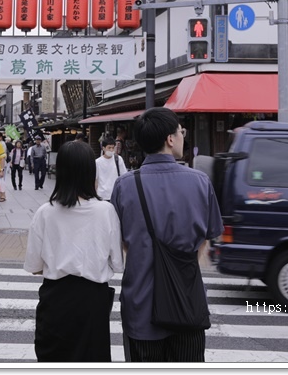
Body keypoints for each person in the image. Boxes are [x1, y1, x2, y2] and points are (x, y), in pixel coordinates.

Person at [111, 107, 223, 362]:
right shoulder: (200, 182)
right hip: (187, 303)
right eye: (180, 132)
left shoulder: (125, 185)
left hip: (141, 306)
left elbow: (121, 242)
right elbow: (207, 237)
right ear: (170, 139)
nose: (182, 136)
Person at [24, 140, 124, 362]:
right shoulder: (105, 211)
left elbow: (34, 267)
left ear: (60, 172)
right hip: (92, 302)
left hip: (55, 300)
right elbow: (117, 264)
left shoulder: (44, 213)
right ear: (91, 171)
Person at [95, 136, 125, 202]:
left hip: (116, 195)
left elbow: (124, 176)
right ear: (103, 148)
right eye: (109, 148)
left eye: (113, 148)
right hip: (102, 196)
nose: (111, 150)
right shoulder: (97, 162)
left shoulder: (118, 159)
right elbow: (95, 180)